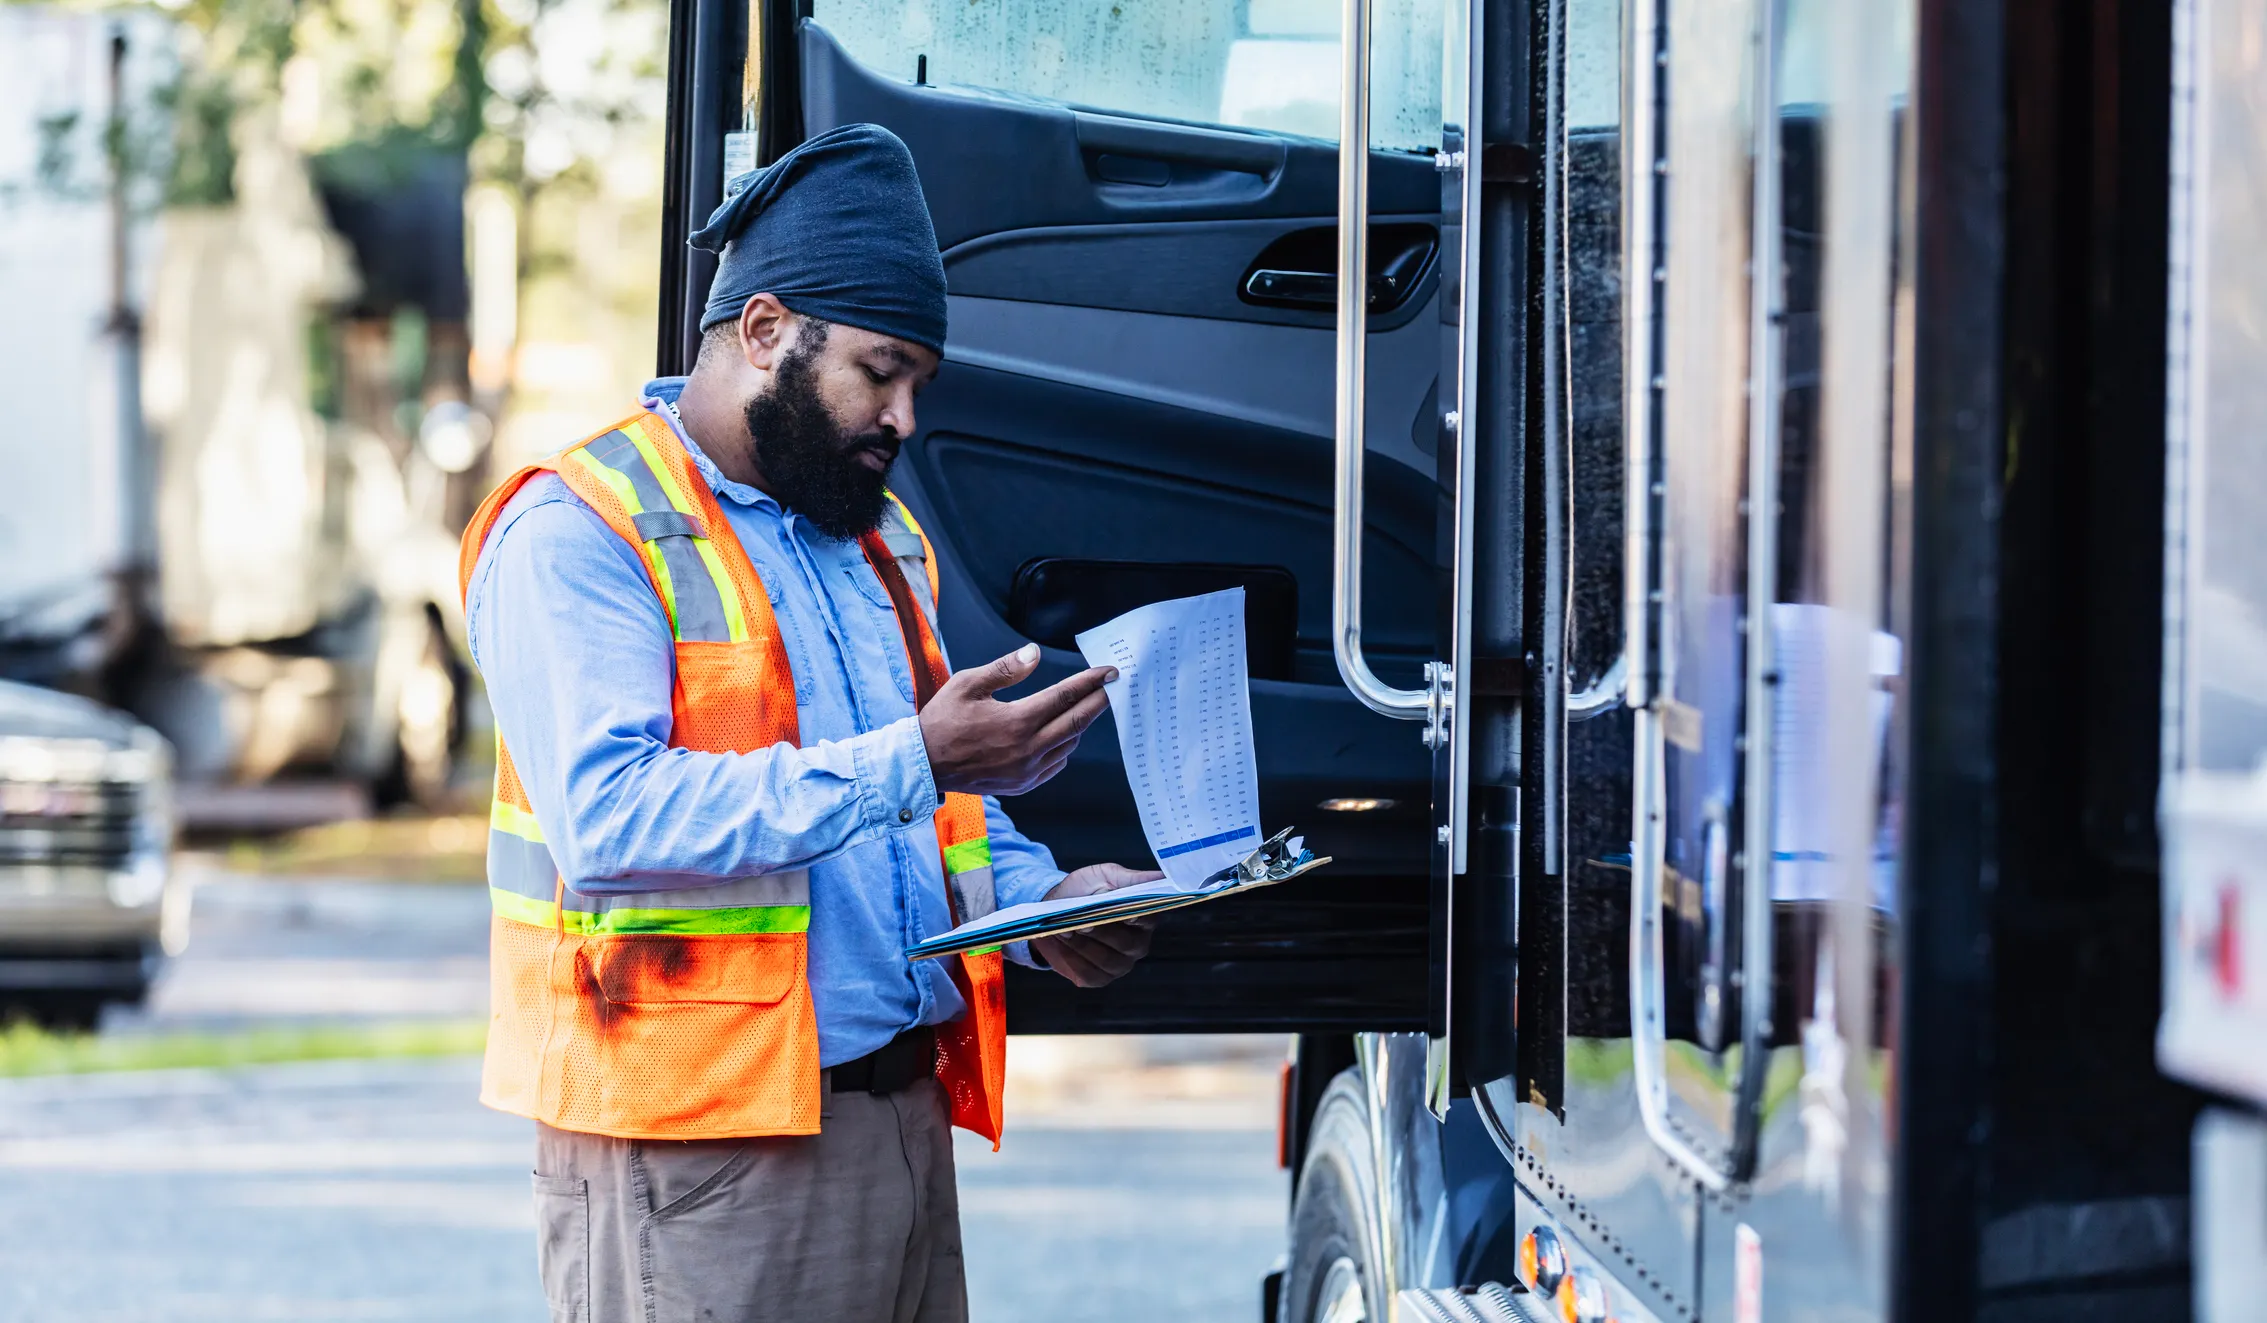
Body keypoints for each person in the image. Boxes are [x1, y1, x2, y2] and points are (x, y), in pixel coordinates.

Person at [460, 122, 1161, 1323]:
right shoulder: (580, 534)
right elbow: (611, 823)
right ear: (765, 331)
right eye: (877, 372)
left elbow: (923, 822)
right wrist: (915, 757)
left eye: (916, 387)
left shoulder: (879, 539)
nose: (900, 418)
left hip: (895, 1122)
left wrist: (1038, 906)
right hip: (696, 1153)